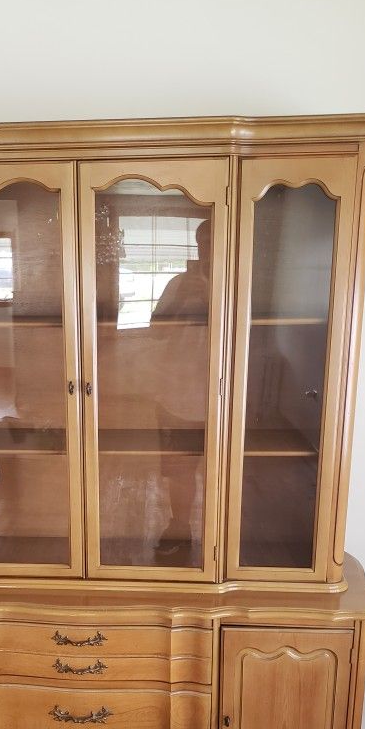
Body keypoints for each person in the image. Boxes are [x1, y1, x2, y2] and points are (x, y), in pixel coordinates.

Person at [149, 218, 211, 562]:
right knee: (180, 470)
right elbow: (155, 331)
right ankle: (180, 528)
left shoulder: (238, 281)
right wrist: (182, 302)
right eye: (202, 241)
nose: (208, 248)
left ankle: (226, 534)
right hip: (178, 394)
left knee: (229, 470)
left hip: (227, 397)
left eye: (215, 240)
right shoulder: (178, 284)